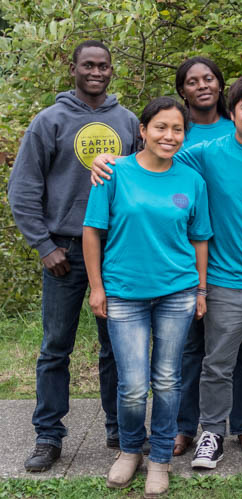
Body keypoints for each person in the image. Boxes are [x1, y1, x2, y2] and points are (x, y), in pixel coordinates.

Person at [91, 75, 242, 471]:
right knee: (217, 362)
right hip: (224, 280)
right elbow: (156, 158)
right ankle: (210, 433)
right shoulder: (205, 154)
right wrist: (109, 159)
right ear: (232, 113)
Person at [8, 40, 139, 473]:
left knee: (115, 346)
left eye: (103, 65)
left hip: (115, 249)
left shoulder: (128, 121)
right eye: (88, 65)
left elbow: (140, 183)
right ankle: (48, 435)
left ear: (111, 70)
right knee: (55, 347)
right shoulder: (50, 121)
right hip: (64, 251)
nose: (96, 72)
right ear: (74, 68)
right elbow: (23, 189)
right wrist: (44, 245)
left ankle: (119, 427)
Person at [83, 97, 211, 496]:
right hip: (124, 293)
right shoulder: (113, 172)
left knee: (168, 380)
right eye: (160, 127)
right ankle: (129, 450)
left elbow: (199, 238)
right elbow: (92, 231)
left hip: (177, 292)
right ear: (142, 130)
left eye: (176, 129)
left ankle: (160, 458)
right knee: (134, 384)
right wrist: (97, 287)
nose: (168, 136)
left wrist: (201, 289)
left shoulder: (191, 180)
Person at [171, 56, 242, 457]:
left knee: (241, 348)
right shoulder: (174, 131)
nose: (202, 85)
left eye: (209, 78)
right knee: (190, 348)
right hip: (181, 253)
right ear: (182, 90)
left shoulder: (239, 126)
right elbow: (146, 166)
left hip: (235, 257)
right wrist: (109, 160)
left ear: (222, 86)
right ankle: (185, 426)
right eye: (192, 81)